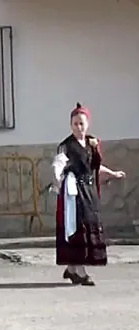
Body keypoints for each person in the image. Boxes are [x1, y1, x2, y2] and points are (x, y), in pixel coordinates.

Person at [52, 102, 126, 285]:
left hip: (89, 192)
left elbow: (95, 167)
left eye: (81, 123)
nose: (79, 127)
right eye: (75, 124)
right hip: (74, 194)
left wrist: (112, 173)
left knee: (89, 227)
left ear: (87, 124)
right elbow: (58, 164)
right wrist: (57, 179)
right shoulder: (66, 145)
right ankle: (80, 272)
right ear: (71, 125)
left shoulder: (92, 143)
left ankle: (72, 269)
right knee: (77, 229)